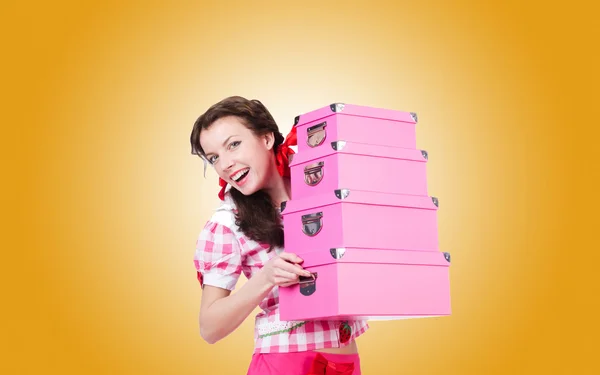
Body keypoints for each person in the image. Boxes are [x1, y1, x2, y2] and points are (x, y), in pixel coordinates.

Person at [189, 96, 369, 374]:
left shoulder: (324, 185)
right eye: (214, 157)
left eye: (233, 144)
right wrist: (266, 277)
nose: (225, 164)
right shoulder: (226, 223)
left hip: (346, 363)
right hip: (284, 363)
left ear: (267, 138)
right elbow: (209, 328)